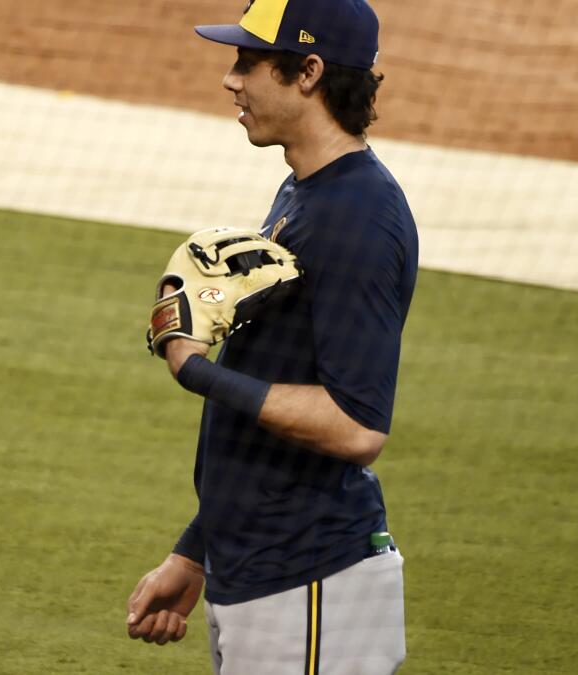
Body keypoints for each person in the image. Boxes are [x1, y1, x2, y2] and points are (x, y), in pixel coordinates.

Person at [126, 1, 417, 673]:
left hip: (312, 578)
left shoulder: (359, 219)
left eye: (248, 62)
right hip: (267, 570)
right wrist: (196, 548)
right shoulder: (304, 191)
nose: (231, 79)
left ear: (309, 71)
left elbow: (356, 425)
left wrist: (194, 368)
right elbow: (284, 380)